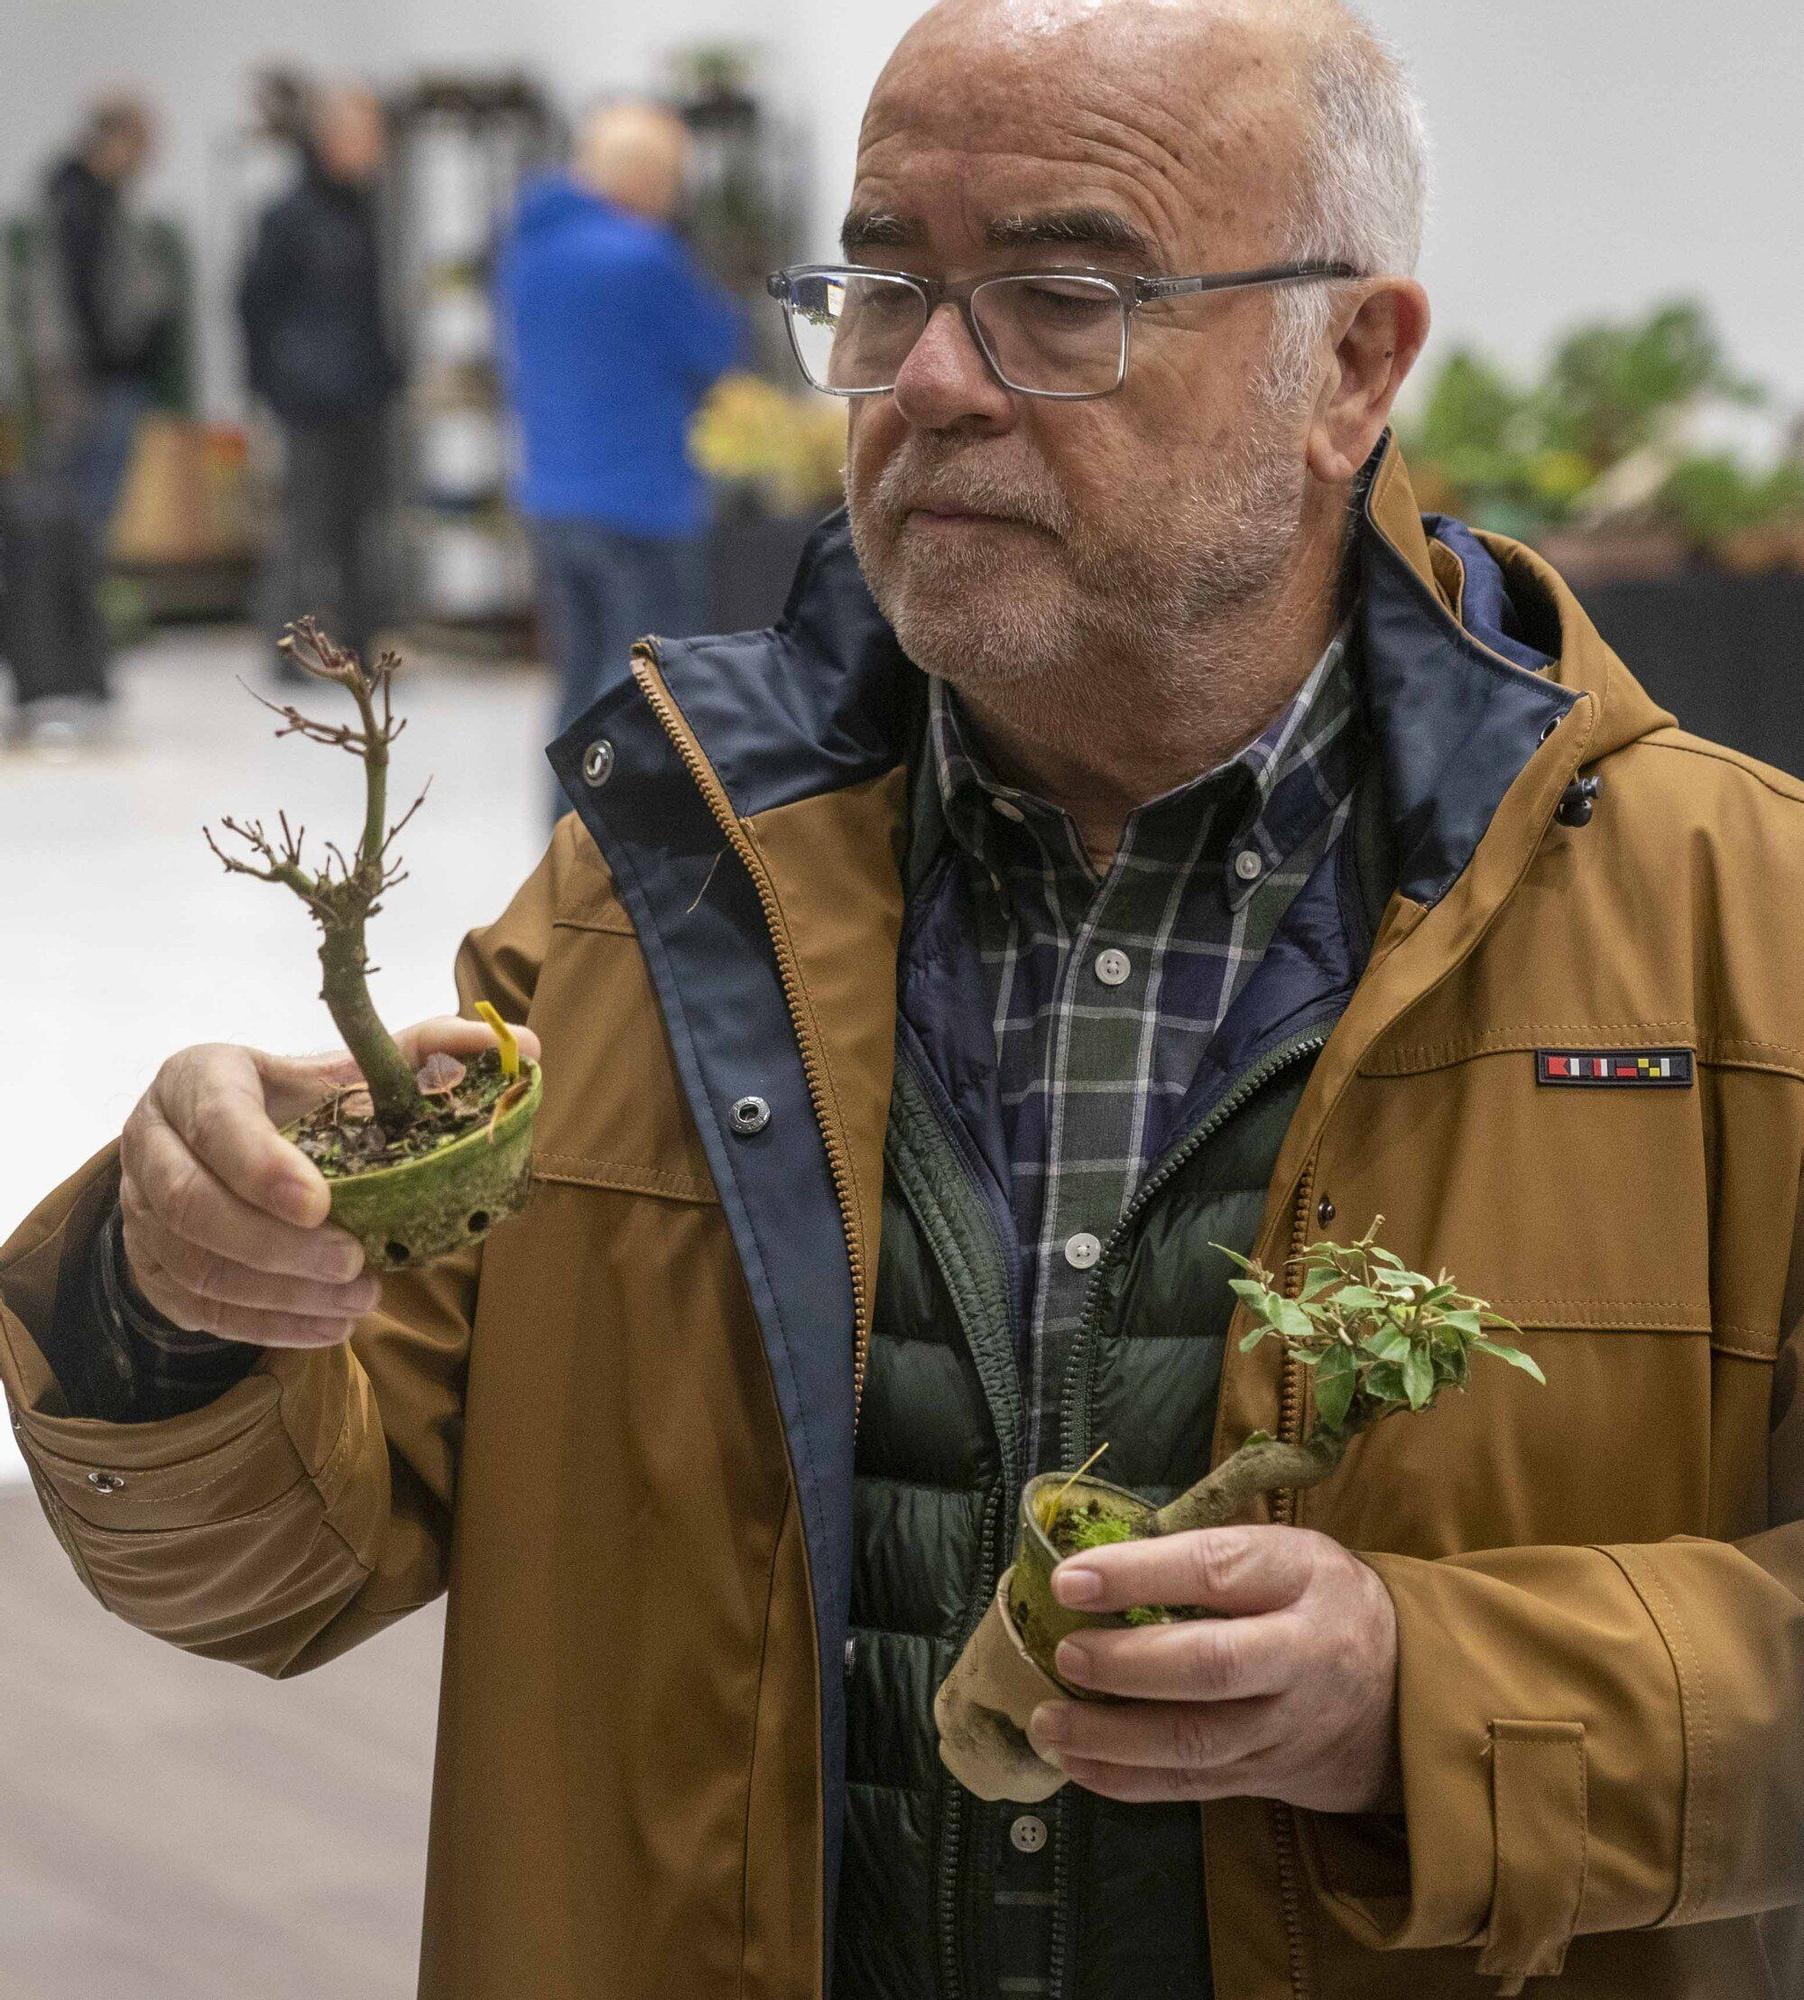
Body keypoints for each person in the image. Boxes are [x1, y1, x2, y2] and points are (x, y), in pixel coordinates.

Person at [2, 1, 1801, 1994]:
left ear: (1351, 365)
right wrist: (171, 1293)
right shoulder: (653, 901)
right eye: (881, 289)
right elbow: (276, 1565)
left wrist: (1436, 1698)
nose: (930, 382)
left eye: (1059, 297)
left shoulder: (1733, 933)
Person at [494, 101, 745, 790]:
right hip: (643, 503)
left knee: (576, 681)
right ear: (646, 176)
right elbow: (719, 347)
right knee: (646, 694)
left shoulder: (526, 251)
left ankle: (565, 829)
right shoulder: (645, 256)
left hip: (551, 499)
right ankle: (627, 839)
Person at [3, 95, 173, 752]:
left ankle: (84, 671)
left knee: (86, 534)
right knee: (59, 532)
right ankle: (59, 678)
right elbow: (54, 314)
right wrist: (63, 388)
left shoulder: (105, 205)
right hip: (79, 391)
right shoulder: (72, 205)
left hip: (108, 383)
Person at [237, 82, 402, 676]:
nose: (376, 147)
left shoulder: (363, 211)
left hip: (363, 397)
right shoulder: (288, 216)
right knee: (305, 531)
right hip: (310, 402)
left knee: (362, 532)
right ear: (332, 138)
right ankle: (288, 653)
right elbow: (254, 305)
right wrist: (275, 386)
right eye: (365, 134)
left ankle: (357, 652)